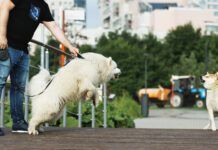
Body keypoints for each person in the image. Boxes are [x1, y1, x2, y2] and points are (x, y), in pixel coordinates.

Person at [0, 0, 79, 134]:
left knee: (18, 87)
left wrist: (70, 46)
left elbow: (54, 27)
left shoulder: (43, 6)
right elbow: (4, 6)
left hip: (23, 52)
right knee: (0, 82)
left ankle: (18, 123)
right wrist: (1, 36)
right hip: (7, 47)